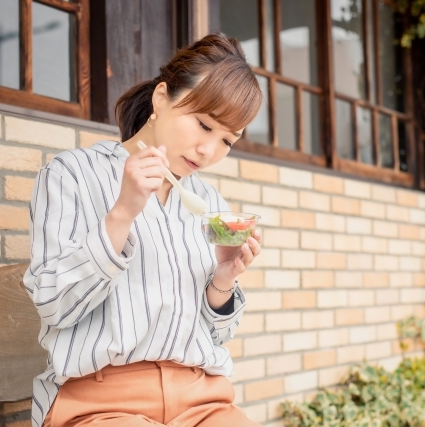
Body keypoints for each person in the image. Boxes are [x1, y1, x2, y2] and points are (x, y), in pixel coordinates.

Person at [23, 33, 264, 427]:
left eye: (227, 141)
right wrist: (122, 214)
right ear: (161, 98)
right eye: (203, 125)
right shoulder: (73, 175)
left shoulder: (209, 202)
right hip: (100, 400)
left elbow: (216, 336)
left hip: (202, 400)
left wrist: (222, 281)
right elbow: (54, 305)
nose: (209, 151)